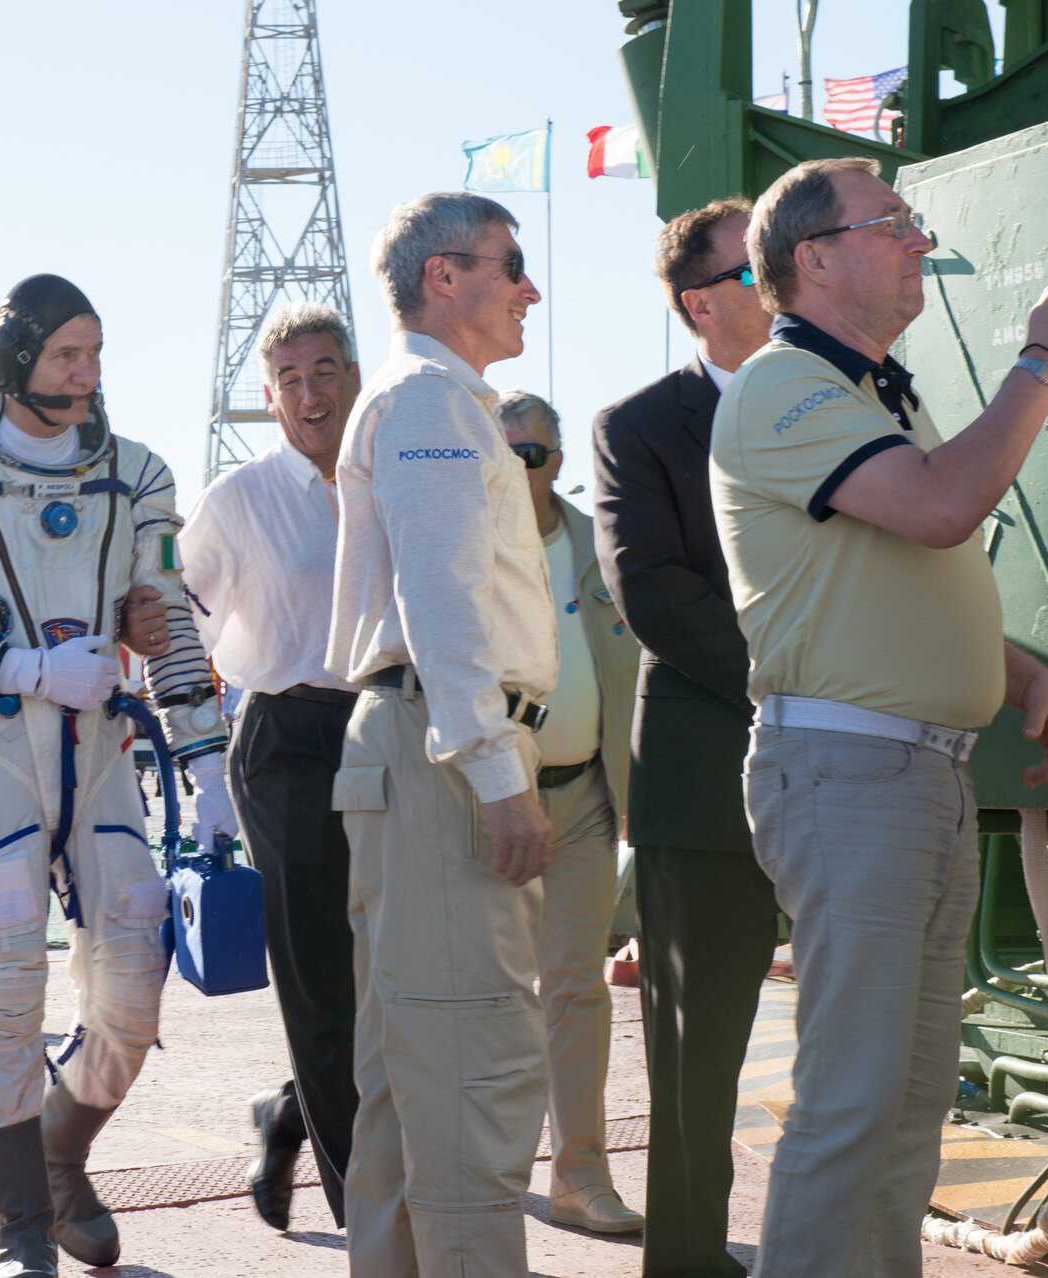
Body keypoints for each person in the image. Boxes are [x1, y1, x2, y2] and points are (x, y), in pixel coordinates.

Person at [711, 156, 1048, 1277]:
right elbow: (937, 506)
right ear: (816, 258)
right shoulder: (782, 386)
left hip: (906, 778)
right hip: (849, 778)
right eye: (893, 222)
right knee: (855, 1098)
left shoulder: (873, 390)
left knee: (908, 1097)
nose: (920, 239)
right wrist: (1045, 360)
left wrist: (1007, 670)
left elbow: (873, 567)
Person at [0, 273, 229, 1278]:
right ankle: (20, 1228)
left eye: (95, 353)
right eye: (67, 354)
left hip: (101, 756)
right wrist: (24, 669)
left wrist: (206, 765)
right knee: (4, 981)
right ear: (14, 358)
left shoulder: (137, 475)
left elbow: (169, 618)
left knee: (135, 985)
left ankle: (60, 1153)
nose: (86, 374)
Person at [325, 191, 558, 1276]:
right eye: (511, 266)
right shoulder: (430, 401)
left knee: (407, 1073)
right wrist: (498, 774)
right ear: (443, 277)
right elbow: (443, 601)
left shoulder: (428, 400)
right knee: (470, 1067)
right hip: (444, 751)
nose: (530, 290)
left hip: (415, 742)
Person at [590, 196, 780, 1278]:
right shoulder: (640, 427)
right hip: (709, 772)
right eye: (753, 269)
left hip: (862, 760)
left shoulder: (856, 400)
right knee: (696, 1052)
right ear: (699, 303)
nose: (779, 277)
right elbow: (654, 593)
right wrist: (801, 684)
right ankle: (690, 1259)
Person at [178, 300, 361, 1232]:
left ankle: (290, 1111)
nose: (309, 393)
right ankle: (369, 1215)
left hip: (390, 729)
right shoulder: (239, 499)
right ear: (267, 395)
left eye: (324, 371)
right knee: (322, 979)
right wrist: (199, 767)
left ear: (354, 375)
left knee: (390, 971)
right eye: (289, 379)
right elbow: (177, 629)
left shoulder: (390, 478)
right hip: (287, 739)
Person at [494, 390, 643, 1236]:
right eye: (500, 454)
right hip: (490, 801)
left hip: (584, 797)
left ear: (556, 462)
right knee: (485, 994)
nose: (515, 470)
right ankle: (482, 1172)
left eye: (530, 454)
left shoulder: (600, 547)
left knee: (577, 991)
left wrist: (633, 793)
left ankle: (579, 1178)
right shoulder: (468, 550)